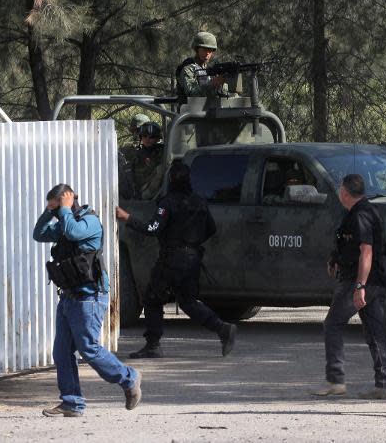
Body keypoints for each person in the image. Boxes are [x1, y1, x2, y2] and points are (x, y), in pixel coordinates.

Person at [33, 184, 142, 417]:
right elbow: (39, 234)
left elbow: (73, 233)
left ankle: (129, 378)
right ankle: (72, 403)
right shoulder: (64, 221)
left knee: (89, 348)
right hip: (69, 298)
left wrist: (63, 209)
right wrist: (49, 212)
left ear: (71, 200)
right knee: (62, 352)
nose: (59, 211)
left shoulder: (89, 221)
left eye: (59, 204)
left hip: (89, 297)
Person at [116, 162, 236, 358]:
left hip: (172, 260)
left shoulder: (168, 202)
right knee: (188, 302)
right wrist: (192, 243)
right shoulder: (199, 202)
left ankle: (153, 344)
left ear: (170, 179)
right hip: (193, 259)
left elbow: (152, 229)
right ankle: (223, 329)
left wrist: (127, 218)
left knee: (152, 299)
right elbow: (211, 229)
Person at [311, 174, 386, 400]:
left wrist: (360, 286)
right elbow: (350, 247)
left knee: (332, 324)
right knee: (375, 333)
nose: (339, 192)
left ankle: (335, 380)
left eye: (340, 189)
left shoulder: (361, 215)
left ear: (345, 192)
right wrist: (335, 259)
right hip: (373, 281)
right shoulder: (360, 213)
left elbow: (366, 252)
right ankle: (385, 385)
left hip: (360, 282)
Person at [176, 31, 226, 101]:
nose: (207, 53)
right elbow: (191, 93)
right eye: (204, 50)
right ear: (197, 49)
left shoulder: (210, 68)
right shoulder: (188, 69)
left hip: (211, 107)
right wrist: (212, 83)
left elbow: (223, 93)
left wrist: (223, 83)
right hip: (190, 109)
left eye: (210, 50)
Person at [131, 121, 165, 199]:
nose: (147, 139)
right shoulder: (137, 153)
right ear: (141, 137)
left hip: (154, 192)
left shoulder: (162, 151)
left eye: (151, 137)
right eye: (144, 136)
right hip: (139, 190)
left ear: (157, 138)